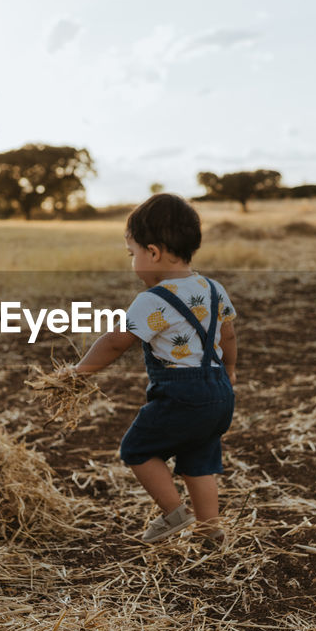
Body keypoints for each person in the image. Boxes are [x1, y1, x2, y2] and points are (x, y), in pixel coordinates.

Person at [73, 193, 237, 544]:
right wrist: (232, 370)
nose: (133, 263)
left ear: (153, 252)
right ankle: (211, 531)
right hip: (219, 391)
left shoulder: (152, 300)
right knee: (199, 461)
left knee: (138, 449)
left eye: (132, 254)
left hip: (182, 394)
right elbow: (229, 334)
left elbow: (117, 341)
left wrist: (79, 372)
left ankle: (174, 512)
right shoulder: (213, 288)